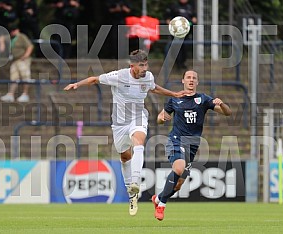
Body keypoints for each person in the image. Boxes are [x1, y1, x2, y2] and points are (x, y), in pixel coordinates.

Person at [63, 49, 191, 216]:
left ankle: (135, 181)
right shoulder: (119, 76)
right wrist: (77, 84)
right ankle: (132, 194)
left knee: (139, 142)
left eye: (146, 64)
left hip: (138, 118)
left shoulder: (148, 76)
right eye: (141, 65)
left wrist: (173, 93)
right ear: (132, 66)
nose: (144, 68)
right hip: (119, 123)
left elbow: (153, 88)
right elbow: (95, 79)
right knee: (125, 157)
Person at [152, 70, 232, 221]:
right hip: (176, 140)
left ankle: (157, 199)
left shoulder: (203, 99)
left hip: (192, 145)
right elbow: (160, 118)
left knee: (178, 185)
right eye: (188, 77)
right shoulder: (175, 99)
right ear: (183, 81)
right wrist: (162, 119)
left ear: (197, 82)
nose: (191, 80)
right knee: (178, 167)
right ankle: (161, 205)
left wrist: (222, 104)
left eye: (194, 78)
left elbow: (227, 113)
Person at [0, 23, 34, 102]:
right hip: (15, 60)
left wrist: (25, 56)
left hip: (22, 60)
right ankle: (10, 94)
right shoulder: (12, 38)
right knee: (14, 77)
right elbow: (2, 38)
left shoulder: (21, 36)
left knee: (25, 76)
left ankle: (25, 94)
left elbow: (30, 46)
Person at [165, 0, 197, 69]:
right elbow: (168, 18)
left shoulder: (190, 7)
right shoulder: (174, 6)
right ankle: (178, 63)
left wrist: (192, 22)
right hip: (176, 32)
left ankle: (183, 62)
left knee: (185, 48)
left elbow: (194, 18)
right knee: (176, 47)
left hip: (187, 32)